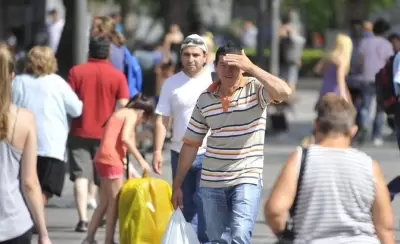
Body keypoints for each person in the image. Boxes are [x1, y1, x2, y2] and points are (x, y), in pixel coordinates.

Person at [171, 41, 291, 243]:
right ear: (215, 67)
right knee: (218, 239)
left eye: (235, 65)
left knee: (240, 234)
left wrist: (252, 67)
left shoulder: (256, 90)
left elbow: (284, 92)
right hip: (211, 181)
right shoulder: (205, 99)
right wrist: (177, 184)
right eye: (224, 65)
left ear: (243, 68)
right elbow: (191, 144)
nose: (228, 70)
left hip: (247, 176)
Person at [265, 93, 394, 244]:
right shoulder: (369, 165)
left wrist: (285, 235)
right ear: (353, 130)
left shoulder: (301, 159)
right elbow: (384, 227)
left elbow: (275, 211)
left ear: (316, 126)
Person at [153, 34, 212, 242]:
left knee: (205, 205)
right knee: (184, 207)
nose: (191, 58)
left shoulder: (216, 79)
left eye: (196, 54)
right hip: (180, 153)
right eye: (186, 54)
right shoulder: (171, 83)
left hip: (210, 153)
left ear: (205, 57)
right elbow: (162, 120)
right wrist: (157, 150)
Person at [67, 36, 130, 232]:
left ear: (89, 52)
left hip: (79, 129)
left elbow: (68, 100)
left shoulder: (76, 72)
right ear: (109, 53)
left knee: (80, 175)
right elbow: (123, 105)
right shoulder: (117, 75)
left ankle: (83, 219)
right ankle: (99, 215)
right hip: (106, 135)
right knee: (103, 177)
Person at [12, 46, 82, 205]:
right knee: (47, 188)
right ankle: (33, 216)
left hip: (23, 144)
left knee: (24, 185)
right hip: (51, 145)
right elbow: (77, 110)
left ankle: (30, 216)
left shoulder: (19, 82)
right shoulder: (58, 83)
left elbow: (11, 108)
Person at [82, 93, 153, 244]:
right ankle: (109, 240)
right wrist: (141, 161)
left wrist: (130, 167)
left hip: (102, 159)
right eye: (144, 119)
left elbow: (115, 142)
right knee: (115, 203)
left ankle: (89, 238)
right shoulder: (132, 114)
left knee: (104, 202)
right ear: (142, 112)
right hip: (111, 161)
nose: (141, 121)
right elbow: (125, 139)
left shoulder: (119, 113)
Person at [0, 44, 52, 243]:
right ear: (12, 77)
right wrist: (44, 233)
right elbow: (30, 182)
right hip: (14, 224)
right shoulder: (25, 119)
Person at [357, 18, 393, 146]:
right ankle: (376, 136)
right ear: (385, 31)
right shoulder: (387, 44)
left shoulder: (364, 42)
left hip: (366, 78)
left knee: (365, 106)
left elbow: (360, 61)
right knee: (380, 109)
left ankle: (364, 125)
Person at [91, 16, 142, 99]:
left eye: (94, 27)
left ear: (103, 31)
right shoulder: (119, 47)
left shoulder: (107, 49)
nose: (91, 30)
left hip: (112, 96)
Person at [314, 33, 353, 102]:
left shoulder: (329, 57)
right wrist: (344, 97)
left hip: (324, 90)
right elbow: (340, 80)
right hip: (335, 92)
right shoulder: (341, 60)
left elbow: (317, 70)